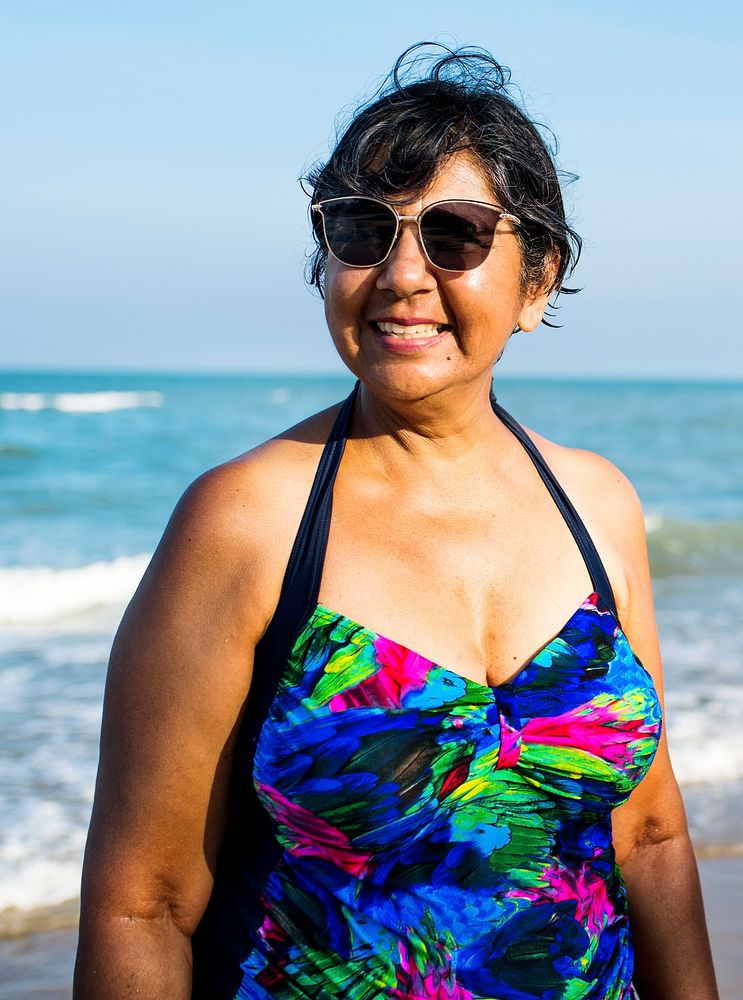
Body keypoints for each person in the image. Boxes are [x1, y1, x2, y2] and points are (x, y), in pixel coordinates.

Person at [73, 44, 719, 1000]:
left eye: (454, 235)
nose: (401, 275)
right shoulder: (247, 522)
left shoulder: (596, 504)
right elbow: (143, 905)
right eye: (361, 230)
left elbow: (651, 836)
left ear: (535, 280)